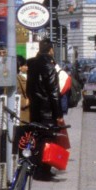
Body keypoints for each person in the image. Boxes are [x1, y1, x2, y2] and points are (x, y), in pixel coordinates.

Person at [26, 39, 65, 179]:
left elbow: (29, 88)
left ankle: (35, 167)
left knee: (37, 138)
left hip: (35, 108)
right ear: (50, 50)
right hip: (47, 110)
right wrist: (58, 114)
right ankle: (43, 171)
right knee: (47, 140)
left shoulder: (32, 64)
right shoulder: (48, 65)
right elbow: (54, 92)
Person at [15, 57, 31, 123]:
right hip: (21, 111)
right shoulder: (16, 78)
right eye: (25, 65)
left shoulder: (22, 76)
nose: (27, 67)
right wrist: (25, 102)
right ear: (19, 67)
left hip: (24, 110)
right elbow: (16, 93)